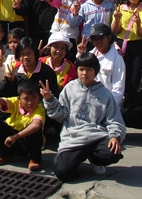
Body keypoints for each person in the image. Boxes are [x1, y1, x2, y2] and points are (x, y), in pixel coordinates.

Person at [41, 53, 125, 182]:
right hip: (74, 137)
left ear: (95, 71)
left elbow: (114, 119)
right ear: (77, 70)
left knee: (112, 152)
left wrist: (115, 136)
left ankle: (95, 161)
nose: (85, 73)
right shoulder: (69, 88)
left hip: (97, 136)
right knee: (63, 173)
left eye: (89, 70)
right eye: (81, 69)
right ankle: (65, 158)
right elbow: (61, 115)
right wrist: (50, 100)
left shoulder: (105, 93)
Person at [0, 80, 45, 171]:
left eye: (34, 98)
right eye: (26, 98)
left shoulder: (39, 109)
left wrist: (15, 137)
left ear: (39, 97)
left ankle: (34, 159)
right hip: (10, 142)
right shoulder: (15, 102)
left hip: (28, 145)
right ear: (19, 98)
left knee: (34, 129)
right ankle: (4, 155)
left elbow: (36, 125)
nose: (30, 102)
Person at [111, 0, 142, 101]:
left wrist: (138, 23)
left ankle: (134, 102)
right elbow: (115, 31)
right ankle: (123, 101)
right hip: (122, 46)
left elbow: (141, 33)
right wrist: (117, 19)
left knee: (136, 76)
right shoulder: (120, 8)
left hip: (139, 46)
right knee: (122, 75)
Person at [77, 23, 126, 108]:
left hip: (108, 105)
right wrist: (81, 54)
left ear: (109, 38)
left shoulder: (117, 59)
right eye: (95, 39)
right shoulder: (90, 55)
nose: (98, 41)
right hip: (89, 103)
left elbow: (118, 88)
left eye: (101, 38)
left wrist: (109, 107)